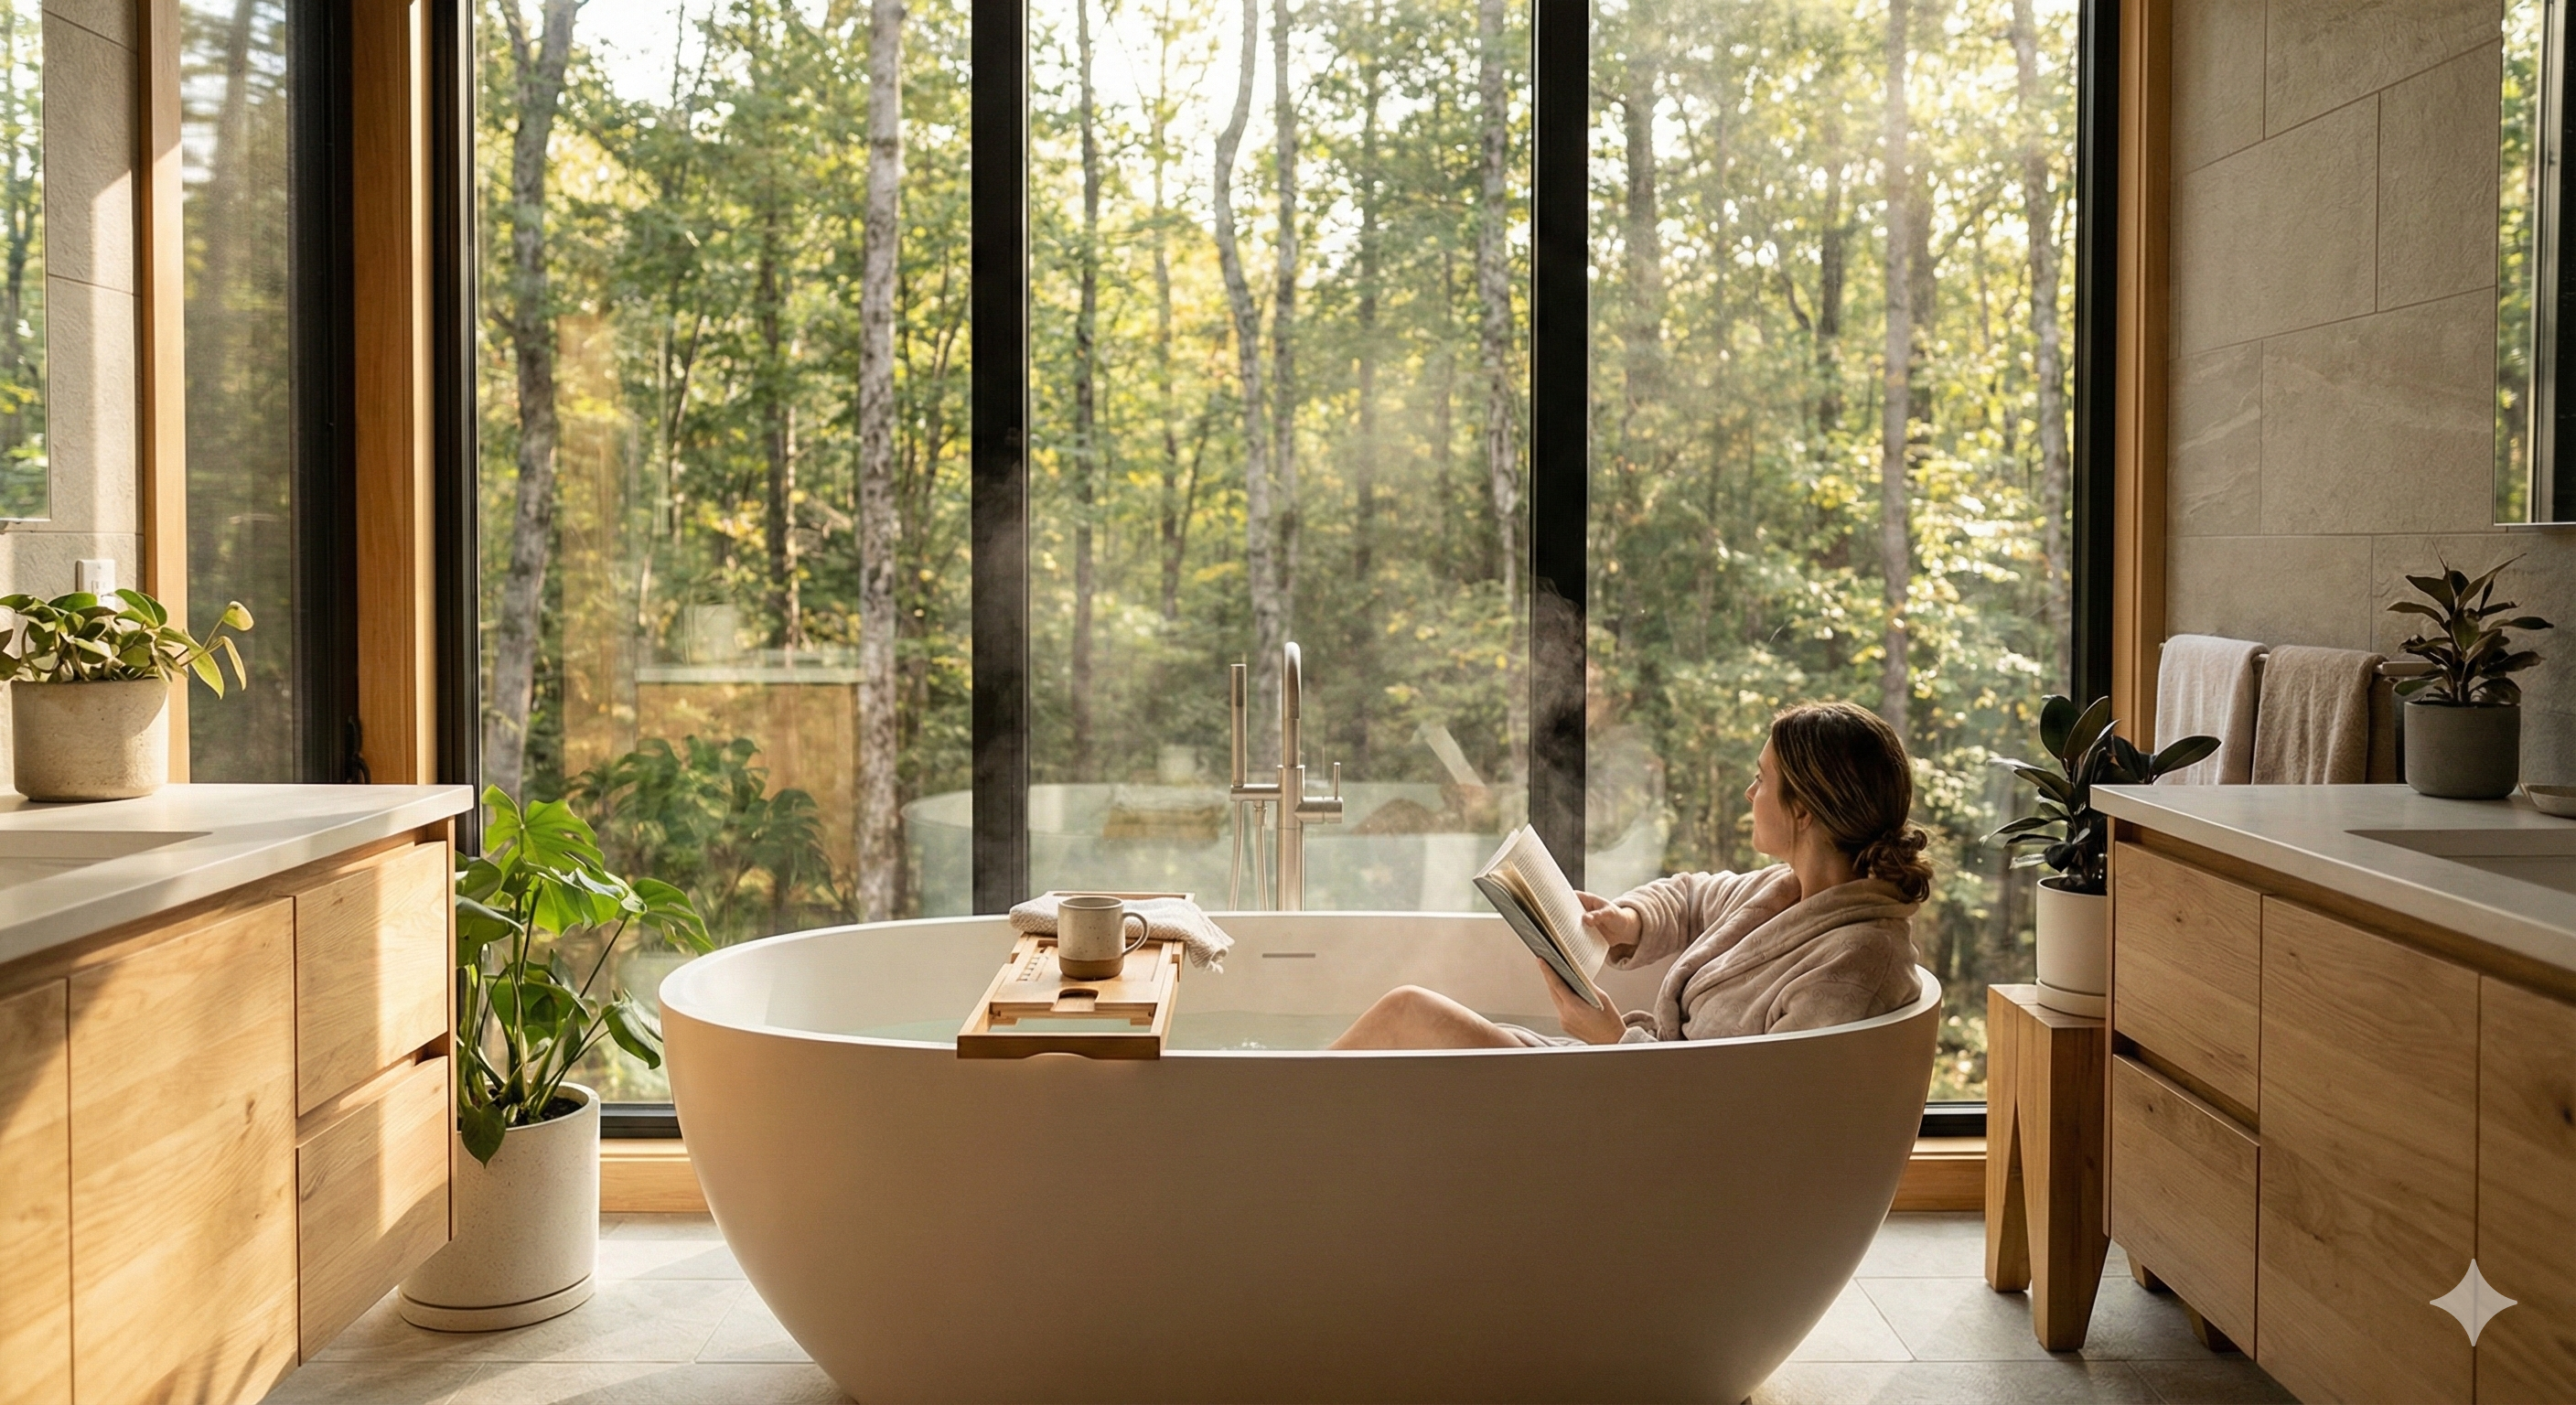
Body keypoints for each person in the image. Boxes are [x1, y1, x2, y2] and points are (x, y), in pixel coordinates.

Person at [1329, 701, 1930, 1050]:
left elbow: (1750, 1121)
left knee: (1407, 1016)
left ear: (1803, 810)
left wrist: (1612, 1041)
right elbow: (1692, 898)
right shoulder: (1788, 894)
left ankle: (1281, 1148)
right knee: (1407, 1017)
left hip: (1639, 1126)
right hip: (1633, 1083)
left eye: (1762, 779)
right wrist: (1631, 920)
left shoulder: (1854, 967)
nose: (1750, 794)